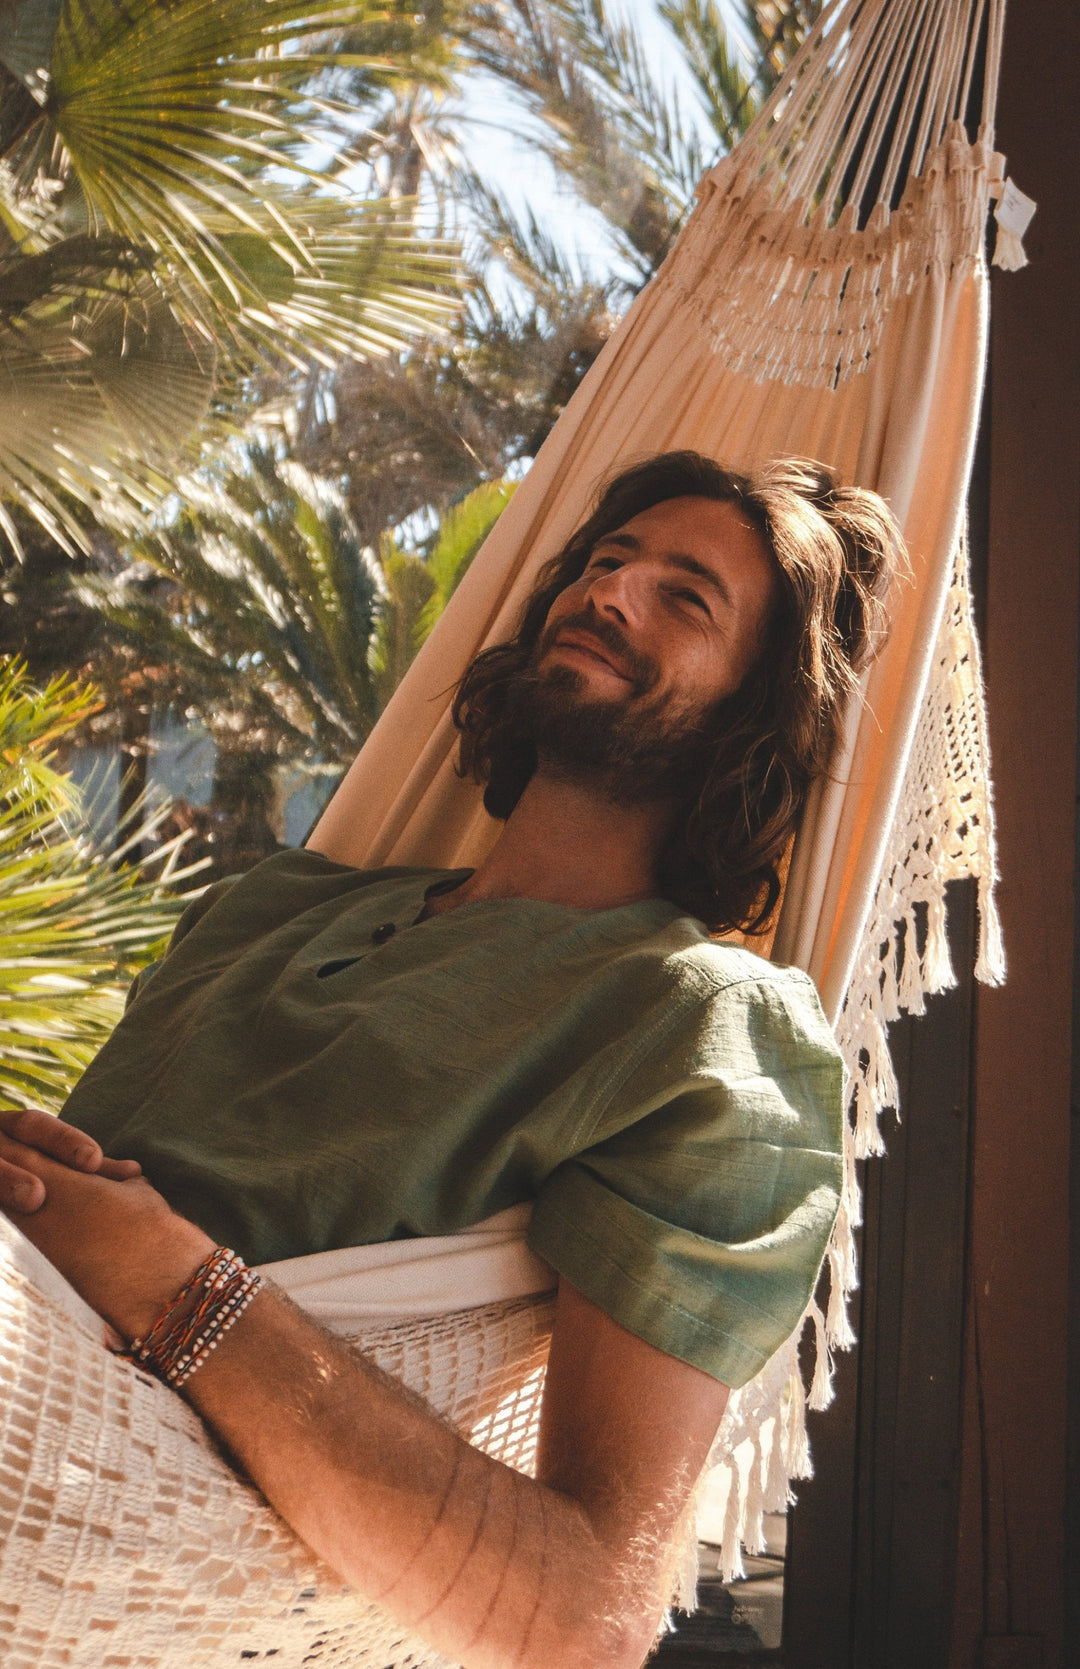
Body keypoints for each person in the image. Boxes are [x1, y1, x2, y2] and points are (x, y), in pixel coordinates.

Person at [0, 452, 904, 1669]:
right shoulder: (280, 904)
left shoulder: (700, 1027)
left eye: (685, 597)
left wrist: (173, 1280)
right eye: (601, 562)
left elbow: (583, 1614)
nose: (610, 592)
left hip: (130, 1506)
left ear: (754, 714)